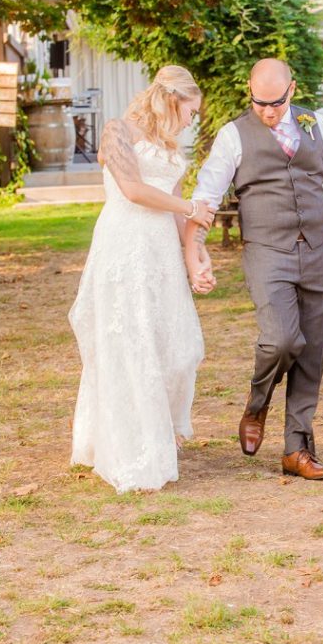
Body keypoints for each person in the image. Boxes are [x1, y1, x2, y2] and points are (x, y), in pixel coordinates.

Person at [187, 59, 323, 480]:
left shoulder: (316, 125)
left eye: (276, 103)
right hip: (267, 251)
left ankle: (297, 449)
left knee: (312, 352)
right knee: (280, 340)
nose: (268, 112)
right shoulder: (233, 135)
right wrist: (195, 251)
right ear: (250, 92)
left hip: (319, 251)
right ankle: (257, 406)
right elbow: (205, 196)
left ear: (291, 91)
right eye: (259, 103)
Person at [69, 65, 217, 493]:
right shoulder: (117, 131)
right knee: (130, 344)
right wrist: (190, 207)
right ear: (173, 101)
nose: (194, 120)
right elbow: (133, 189)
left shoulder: (172, 149)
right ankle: (135, 446)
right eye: (192, 111)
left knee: (175, 348)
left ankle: (158, 428)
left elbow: (173, 211)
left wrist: (195, 258)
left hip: (160, 255)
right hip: (124, 247)